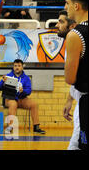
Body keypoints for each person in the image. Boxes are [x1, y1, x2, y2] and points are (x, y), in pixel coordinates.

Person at [63, 0, 88, 150]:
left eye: (67, 3)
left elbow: (70, 79)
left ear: (76, 6)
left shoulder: (75, 35)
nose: (66, 8)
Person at [0, 59, 46, 135]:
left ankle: (36, 127)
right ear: (13, 67)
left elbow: (29, 91)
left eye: (19, 66)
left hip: (21, 99)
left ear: (22, 67)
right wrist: (3, 81)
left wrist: (23, 91)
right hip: (10, 99)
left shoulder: (26, 78)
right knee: (13, 104)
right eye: (15, 66)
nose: (17, 67)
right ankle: (10, 127)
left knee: (34, 104)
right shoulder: (8, 76)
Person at [55, 11, 80, 150]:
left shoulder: (78, 42)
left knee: (75, 144)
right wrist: (70, 99)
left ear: (72, 26)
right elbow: (76, 77)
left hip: (84, 102)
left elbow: (74, 77)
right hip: (79, 101)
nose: (57, 25)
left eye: (61, 22)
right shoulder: (69, 45)